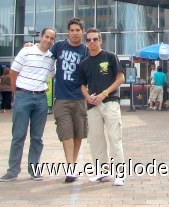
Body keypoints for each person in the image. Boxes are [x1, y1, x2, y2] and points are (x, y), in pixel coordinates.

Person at [0, 27, 56, 182]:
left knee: (37, 137)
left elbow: (52, 74)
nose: (48, 40)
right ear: (40, 36)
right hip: (23, 96)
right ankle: (12, 170)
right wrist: (15, 92)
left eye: (52, 38)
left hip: (41, 99)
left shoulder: (52, 57)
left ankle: (34, 169)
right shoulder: (26, 52)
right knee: (18, 135)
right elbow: (13, 72)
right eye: (46, 37)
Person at [79, 28, 126, 186]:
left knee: (114, 137)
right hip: (93, 106)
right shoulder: (84, 63)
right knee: (96, 140)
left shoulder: (110, 56)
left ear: (100, 40)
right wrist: (88, 97)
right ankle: (103, 172)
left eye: (94, 39)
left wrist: (104, 93)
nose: (92, 42)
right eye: (89, 40)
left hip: (110, 102)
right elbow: (83, 86)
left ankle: (120, 173)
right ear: (86, 43)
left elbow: (120, 78)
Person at [50, 17, 89, 183]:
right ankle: (70, 167)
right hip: (62, 98)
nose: (74, 33)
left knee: (78, 134)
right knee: (66, 133)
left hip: (80, 98)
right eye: (72, 30)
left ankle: (72, 166)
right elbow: (44, 54)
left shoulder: (86, 50)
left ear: (82, 32)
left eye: (77, 30)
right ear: (68, 32)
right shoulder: (59, 46)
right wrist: (31, 46)